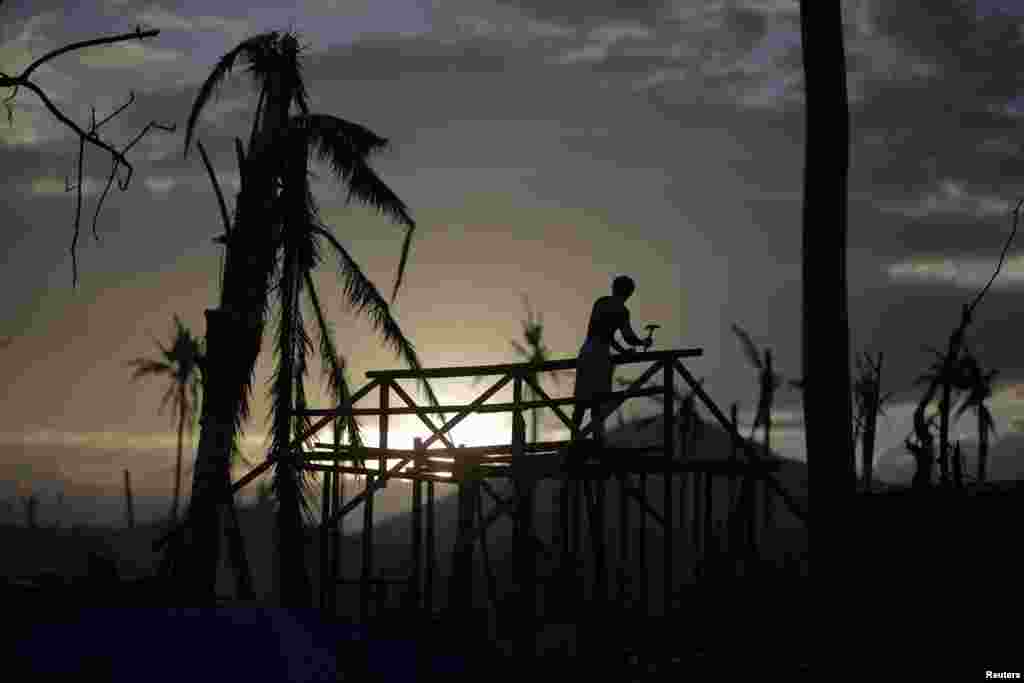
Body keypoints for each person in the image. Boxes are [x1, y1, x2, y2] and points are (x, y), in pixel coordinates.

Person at [572, 275, 652, 445]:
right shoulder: (622, 312)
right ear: (629, 293)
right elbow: (627, 337)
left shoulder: (600, 302)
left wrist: (623, 349)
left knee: (580, 400)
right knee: (597, 401)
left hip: (587, 351)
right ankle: (597, 440)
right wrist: (642, 342)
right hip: (601, 356)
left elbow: (600, 333)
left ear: (613, 288)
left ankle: (574, 439)